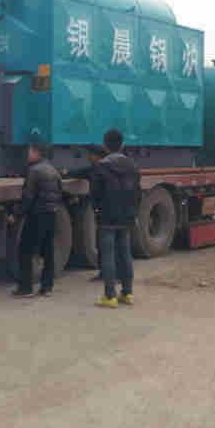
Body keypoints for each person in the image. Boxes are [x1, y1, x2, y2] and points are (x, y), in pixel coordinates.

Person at [91, 129, 141, 308]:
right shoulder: (132, 166)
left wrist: (97, 209)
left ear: (104, 146)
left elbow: (95, 193)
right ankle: (127, 293)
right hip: (126, 217)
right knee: (125, 254)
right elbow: (137, 193)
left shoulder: (101, 166)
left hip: (107, 217)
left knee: (108, 255)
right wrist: (133, 212)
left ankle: (110, 296)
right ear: (123, 145)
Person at [12, 142, 63, 298]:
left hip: (36, 215)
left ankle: (25, 288)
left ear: (37, 153)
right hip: (51, 213)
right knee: (48, 250)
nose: (28, 154)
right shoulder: (53, 170)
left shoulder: (33, 171)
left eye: (30, 151)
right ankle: (47, 287)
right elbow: (59, 192)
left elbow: (28, 197)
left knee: (25, 250)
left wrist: (17, 214)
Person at [65, 145, 107, 280]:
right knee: (103, 243)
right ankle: (104, 273)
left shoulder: (106, 170)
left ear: (98, 156)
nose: (89, 157)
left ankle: (113, 276)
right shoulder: (94, 169)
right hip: (102, 212)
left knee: (110, 245)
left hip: (109, 212)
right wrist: (65, 172)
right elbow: (79, 173)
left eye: (91, 154)